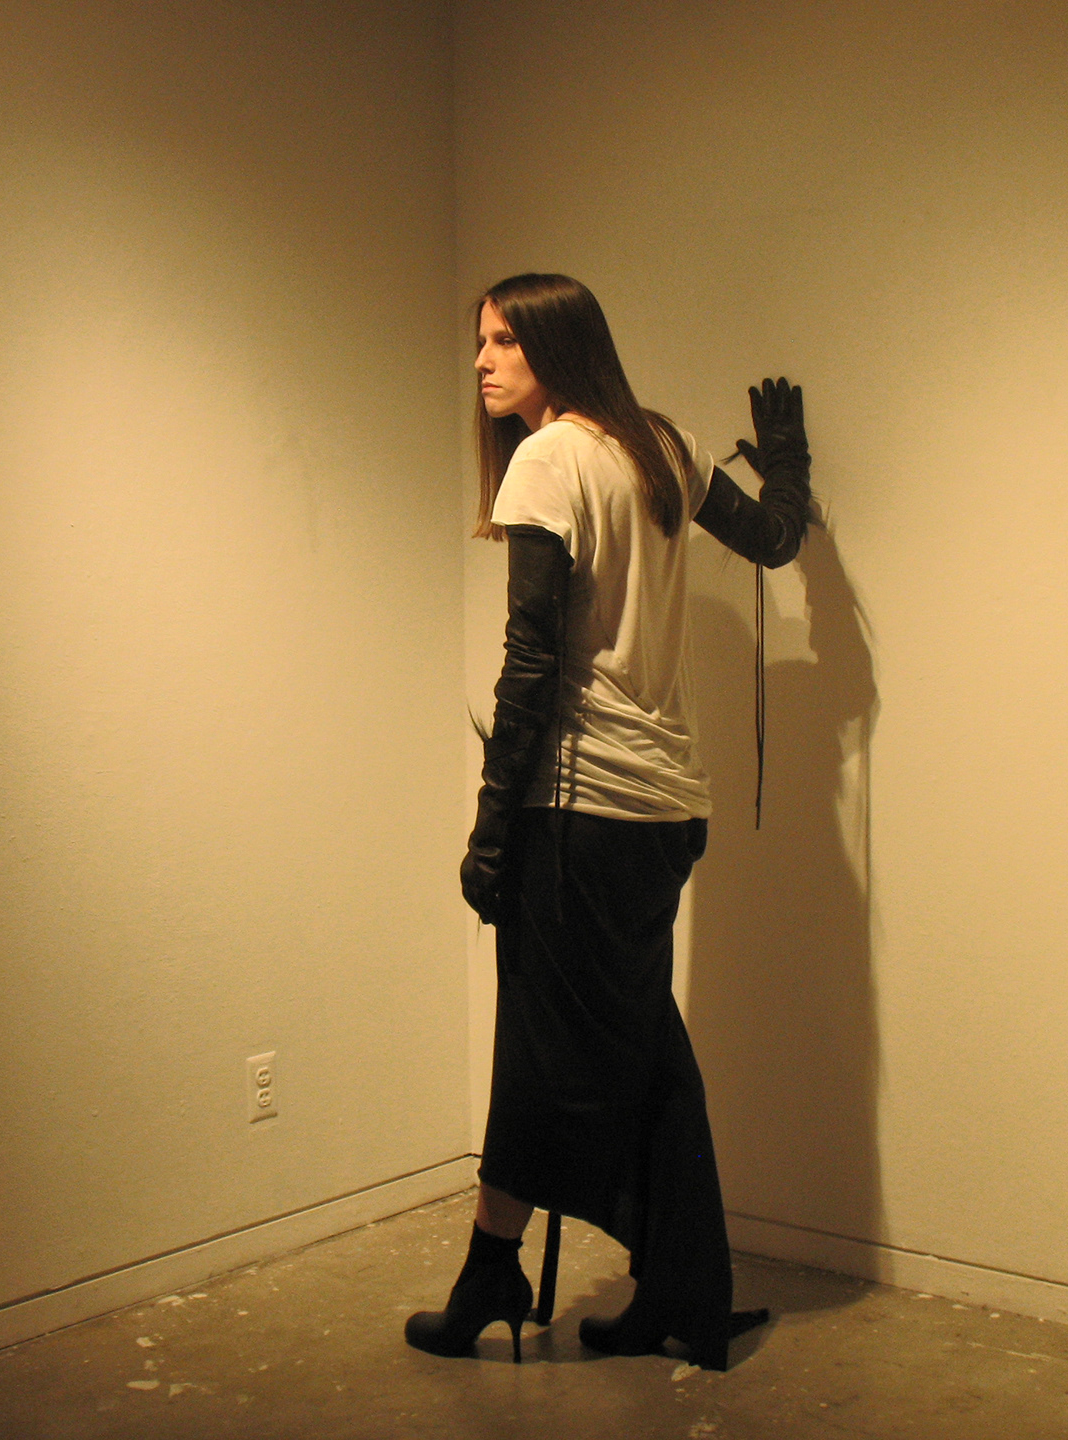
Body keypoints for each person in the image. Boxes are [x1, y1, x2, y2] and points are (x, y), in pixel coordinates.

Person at [404, 273, 812, 1372]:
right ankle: (681, 1287)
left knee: (543, 1047)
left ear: (557, 346)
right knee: (642, 1046)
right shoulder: (665, 445)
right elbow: (776, 539)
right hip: (664, 808)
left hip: (578, 810)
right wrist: (789, 463)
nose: (482, 361)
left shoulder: (548, 459)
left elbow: (531, 662)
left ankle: (496, 1271)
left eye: (504, 341)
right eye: (481, 340)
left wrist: (492, 830)